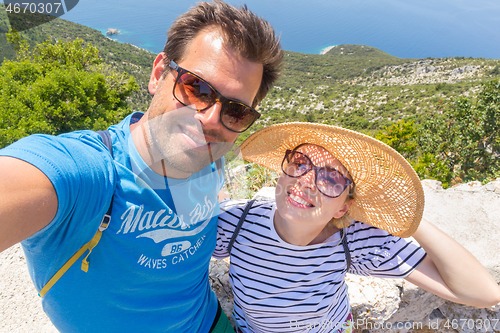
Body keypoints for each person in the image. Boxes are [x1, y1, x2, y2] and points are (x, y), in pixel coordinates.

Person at [0, 1, 283, 332]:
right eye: (197, 88)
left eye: (236, 111)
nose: (209, 120)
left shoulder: (211, 159)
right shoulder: (86, 173)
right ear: (159, 73)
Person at [214, 122, 500, 333]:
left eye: (330, 180)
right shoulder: (238, 222)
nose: (306, 181)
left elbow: (482, 293)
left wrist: (408, 219)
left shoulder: (354, 241)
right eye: (300, 163)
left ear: (343, 208)